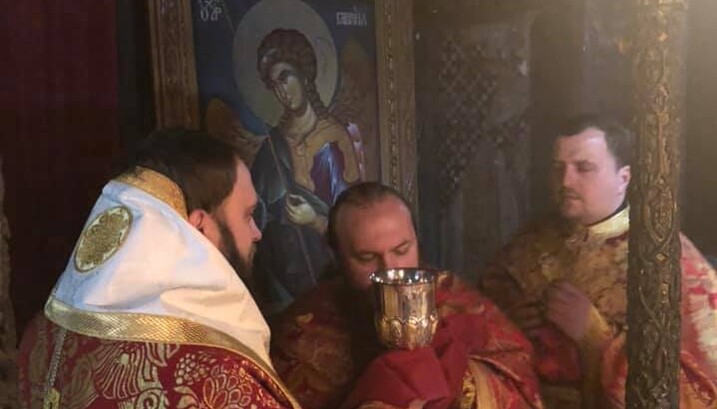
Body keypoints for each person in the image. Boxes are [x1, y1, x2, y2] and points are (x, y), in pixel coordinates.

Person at [16, 129, 300, 408]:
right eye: (248, 215)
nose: (256, 232)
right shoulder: (213, 379)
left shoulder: (42, 333)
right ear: (199, 228)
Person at [479, 114, 717, 408]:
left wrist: (595, 337)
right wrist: (507, 325)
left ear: (624, 178)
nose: (566, 181)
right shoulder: (528, 243)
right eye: (558, 167)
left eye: (584, 168)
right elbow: (481, 325)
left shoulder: (670, 259)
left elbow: (701, 388)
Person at [270, 182, 543, 409]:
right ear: (339, 257)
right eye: (366, 258)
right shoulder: (301, 335)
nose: (391, 271)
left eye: (401, 251)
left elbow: (517, 373)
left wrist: (457, 374)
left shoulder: (454, 298)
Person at [251, 28, 363, 313]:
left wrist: (313, 219)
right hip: (280, 281)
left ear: (304, 75)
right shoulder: (272, 146)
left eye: (286, 78)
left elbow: (353, 221)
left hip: (326, 274)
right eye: (274, 84)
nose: (282, 91)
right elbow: (257, 213)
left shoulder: (333, 137)